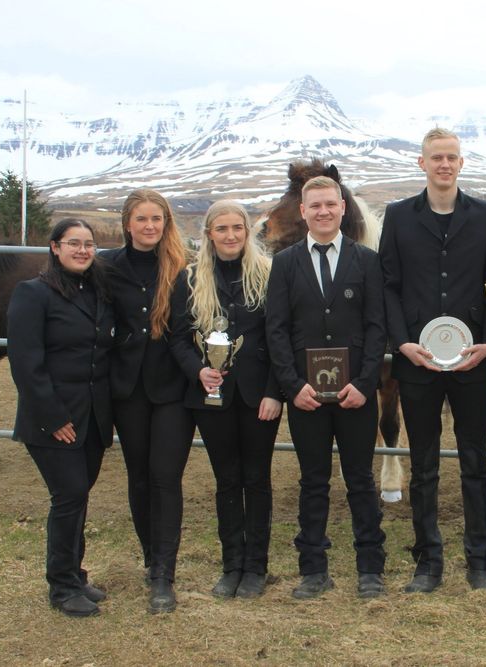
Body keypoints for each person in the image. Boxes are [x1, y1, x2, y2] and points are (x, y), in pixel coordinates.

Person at [378, 127, 486, 594]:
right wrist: (401, 342)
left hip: (472, 361)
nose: (444, 164)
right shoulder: (398, 216)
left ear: (461, 163)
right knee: (424, 463)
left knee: (475, 462)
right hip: (418, 361)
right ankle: (427, 562)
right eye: (436, 157)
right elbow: (389, 284)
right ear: (422, 163)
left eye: (452, 156)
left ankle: (479, 562)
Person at [265, 176, 387, 599]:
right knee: (313, 480)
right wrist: (291, 385)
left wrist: (366, 383)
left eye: (329, 204)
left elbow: (377, 329)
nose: (322, 212)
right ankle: (312, 569)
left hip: (355, 394)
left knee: (360, 480)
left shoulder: (367, 261)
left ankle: (370, 567)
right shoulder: (285, 264)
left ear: (342, 208)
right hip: (307, 398)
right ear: (303, 211)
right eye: (314, 205)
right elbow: (276, 330)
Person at [168, 200, 283, 599]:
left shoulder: (268, 276)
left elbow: (278, 339)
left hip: (258, 398)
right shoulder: (189, 280)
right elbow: (179, 338)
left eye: (238, 227)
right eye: (222, 229)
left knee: (257, 479)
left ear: (247, 232)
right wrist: (197, 371)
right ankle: (231, 564)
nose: (231, 235)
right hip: (210, 396)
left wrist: (274, 392)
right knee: (227, 480)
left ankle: (257, 567)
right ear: (209, 234)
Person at [7, 219, 114, 617]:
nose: (83, 250)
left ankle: (75, 574)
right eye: (74, 243)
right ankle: (61, 586)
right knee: (68, 496)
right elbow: (25, 363)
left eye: (88, 244)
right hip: (52, 418)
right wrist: (53, 416)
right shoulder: (33, 294)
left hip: (93, 417)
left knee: (78, 497)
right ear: (55, 247)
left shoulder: (96, 292)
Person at [101, 189, 193, 614]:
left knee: (165, 476)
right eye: (142, 219)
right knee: (138, 477)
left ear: (166, 222)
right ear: (128, 223)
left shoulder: (182, 269)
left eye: (157, 218)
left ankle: (164, 575)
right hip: (128, 390)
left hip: (172, 389)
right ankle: (150, 558)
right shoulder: (106, 268)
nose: (150, 226)